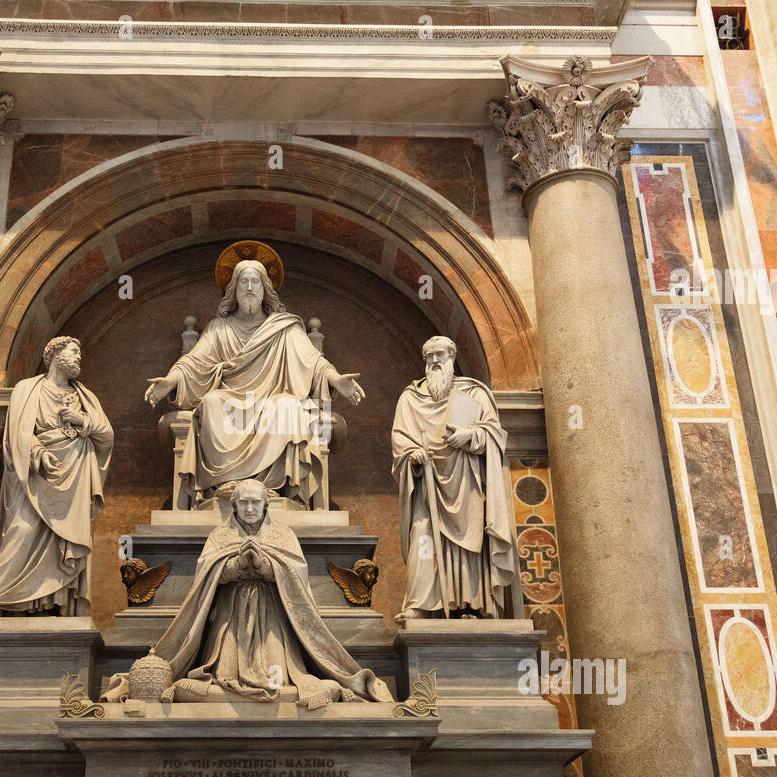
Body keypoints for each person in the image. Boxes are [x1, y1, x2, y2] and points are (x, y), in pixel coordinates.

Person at [104, 480, 392, 707]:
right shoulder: (220, 535)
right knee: (226, 674)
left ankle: (317, 687)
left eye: (256, 502)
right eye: (244, 503)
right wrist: (234, 566)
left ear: (266, 505)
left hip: (273, 619)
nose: (250, 508)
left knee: (277, 677)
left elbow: (297, 576)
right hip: (230, 617)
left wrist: (267, 565)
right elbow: (205, 575)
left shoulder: (284, 535)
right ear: (234, 506)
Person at [143, 258, 364, 508]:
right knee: (212, 402)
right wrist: (170, 382)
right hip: (231, 399)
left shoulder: (284, 328)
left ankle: (274, 488)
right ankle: (227, 486)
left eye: (255, 282)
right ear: (234, 290)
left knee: (288, 406)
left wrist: (337, 381)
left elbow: (313, 361)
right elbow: (192, 363)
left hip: (273, 399)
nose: (249, 288)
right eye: (243, 282)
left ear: (265, 288)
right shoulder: (219, 328)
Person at [0, 336, 113, 616]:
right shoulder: (26, 389)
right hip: (33, 475)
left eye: (80, 354)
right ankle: (0, 599)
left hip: (73, 476)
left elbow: (107, 436)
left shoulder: (85, 397)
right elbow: (16, 432)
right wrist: (37, 453)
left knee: (63, 544)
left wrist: (83, 422)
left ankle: (56, 604)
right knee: (20, 530)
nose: (79, 358)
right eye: (74, 352)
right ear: (54, 354)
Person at [392, 336, 515, 619]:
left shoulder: (474, 394)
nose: (434, 361)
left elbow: (495, 435)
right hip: (428, 484)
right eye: (429, 357)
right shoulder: (410, 399)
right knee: (423, 536)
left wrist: (470, 436)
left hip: (467, 482)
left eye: (440, 356)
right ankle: (420, 606)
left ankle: (471, 605)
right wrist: (413, 455)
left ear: (452, 358)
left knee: (469, 542)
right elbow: (400, 439)